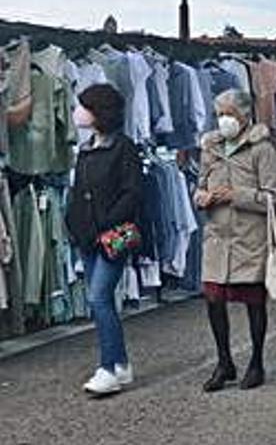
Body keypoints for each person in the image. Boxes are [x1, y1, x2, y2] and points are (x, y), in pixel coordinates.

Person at [196, 89, 276, 392]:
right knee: (213, 300)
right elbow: (198, 186)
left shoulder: (262, 149)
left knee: (252, 302)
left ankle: (256, 362)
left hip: (251, 238)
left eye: (229, 114)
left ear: (245, 115)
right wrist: (203, 198)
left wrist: (240, 196)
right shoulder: (210, 147)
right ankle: (224, 362)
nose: (224, 120)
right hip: (217, 237)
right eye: (220, 113)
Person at [66, 84, 143, 395]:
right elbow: (77, 193)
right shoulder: (86, 148)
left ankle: (108, 367)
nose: (77, 112)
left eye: (83, 106)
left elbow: (132, 193)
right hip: (86, 237)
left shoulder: (123, 148)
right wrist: (74, 224)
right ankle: (120, 364)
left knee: (99, 298)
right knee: (100, 300)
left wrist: (105, 223)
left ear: (98, 111)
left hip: (112, 237)